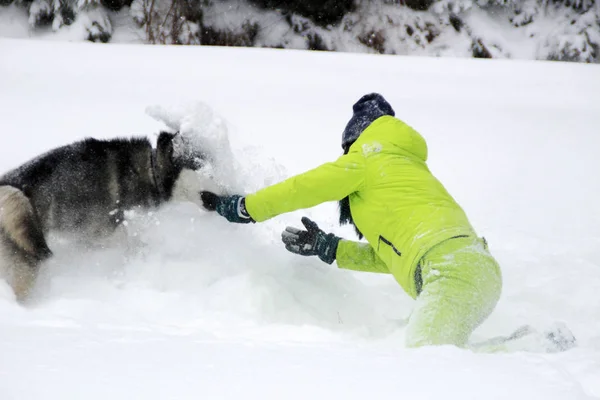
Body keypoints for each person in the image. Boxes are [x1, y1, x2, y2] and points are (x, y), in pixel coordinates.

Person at [200, 93, 502, 348]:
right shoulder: (409, 169)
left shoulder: (366, 160)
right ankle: (525, 346)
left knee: (427, 361)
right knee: (448, 357)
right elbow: (396, 256)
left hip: (449, 273)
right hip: (476, 270)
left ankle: (536, 348)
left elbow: (303, 188)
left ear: (354, 137)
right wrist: (330, 248)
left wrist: (246, 207)